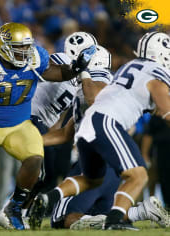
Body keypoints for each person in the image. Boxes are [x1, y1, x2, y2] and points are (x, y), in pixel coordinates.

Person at [0, 22, 97, 231]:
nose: (24, 51)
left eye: (26, 46)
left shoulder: (35, 58)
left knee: (35, 159)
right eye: (19, 47)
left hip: (20, 125)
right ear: (3, 47)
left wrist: (75, 69)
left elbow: (58, 73)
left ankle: (14, 208)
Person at [30, 31, 170, 231]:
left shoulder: (106, 75)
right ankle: (138, 213)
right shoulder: (125, 75)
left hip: (100, 143)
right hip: (106, 150)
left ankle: (122, 217)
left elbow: (95, 101)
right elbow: (66, 133)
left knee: (65, 219)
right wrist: (30, 142)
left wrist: (84, 73)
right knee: (104, 207)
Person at [0, 32, 98, 229]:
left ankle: (16, 212)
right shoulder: (61, 60)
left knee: (48, 176)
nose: (94, 56)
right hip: (28, 114)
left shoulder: (83, 79)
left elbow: (62, 114)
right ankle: (9, 210)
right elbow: (37, 73)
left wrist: (49, 136)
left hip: (41, 122)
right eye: (91, 52)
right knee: (41, 170)